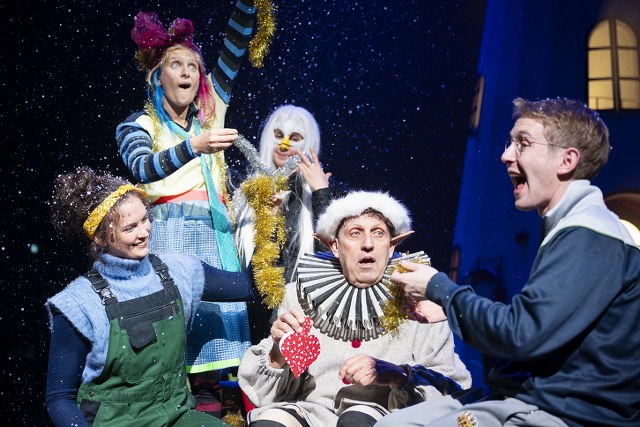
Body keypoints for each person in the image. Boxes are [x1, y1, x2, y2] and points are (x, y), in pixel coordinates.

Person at [381, 97, 640, 427]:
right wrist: (450, 306)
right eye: (509, 142)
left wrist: (440, 288)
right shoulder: (573, 228)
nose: (505, 155)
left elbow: (521, 334)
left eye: (523, 143)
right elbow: (537, 329)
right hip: (532, 399)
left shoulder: (589, 234)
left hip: (565, 413)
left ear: (567, 160)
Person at [114, 1, 257, 403]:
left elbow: (234, 47)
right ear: (157, 77)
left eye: (193, 67)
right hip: (169, 235)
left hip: (214, 230)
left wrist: (247, 6)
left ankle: (212, 399)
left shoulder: (211, 113)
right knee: (174, 330)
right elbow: (141, 167)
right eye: (176, 65)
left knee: (215, 340)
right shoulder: (139, 124)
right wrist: (193, 146)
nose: (187, 73)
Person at [44, 167, 259, 426]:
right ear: (100, 237)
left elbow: (249, 287)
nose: (144, 232)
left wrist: (268, 218)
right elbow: (59, 399)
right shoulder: (78, 303)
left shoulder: (179, 270)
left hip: (177, 415)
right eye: (130, 227)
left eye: (145, 219)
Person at [238, 190, 471, 426]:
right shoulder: (299, 295)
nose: (368, 244)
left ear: (391, 247)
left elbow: (452, 389)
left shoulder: (420, 300)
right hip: (311, 414)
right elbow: (264, 395)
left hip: (386, 416)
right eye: (355, 233)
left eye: (378, 233)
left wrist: (398, 375)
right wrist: (278, 353)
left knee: (356, 420)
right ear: (335, 246)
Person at [233, 105, 333, 342]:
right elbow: (256, 273)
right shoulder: (245, 194)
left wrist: (321, 194)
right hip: (259, 322)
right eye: (278, 135)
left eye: (295, 138)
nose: (284, 145)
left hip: (305, 320)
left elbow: (332, 259)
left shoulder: (316, 197)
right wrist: (269, 219)